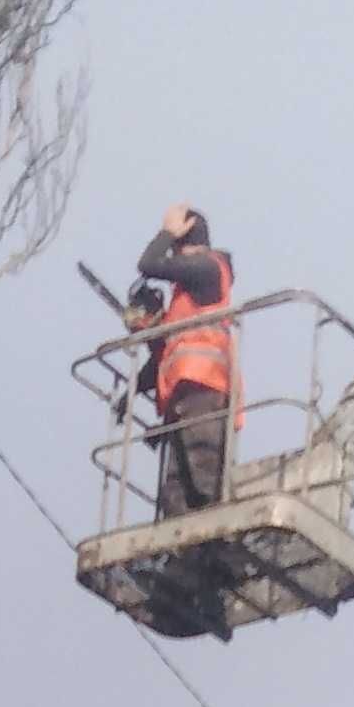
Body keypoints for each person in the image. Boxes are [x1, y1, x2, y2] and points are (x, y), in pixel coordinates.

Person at [129, 203, 236, 515]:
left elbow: (148, 264)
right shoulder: (186, 297)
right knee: (176, 492)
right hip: (184, 396)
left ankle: (213, 543)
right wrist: (131, 393)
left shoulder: (207, 267)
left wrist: (167, 232)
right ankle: (185, 556)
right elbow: (167, 352)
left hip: (204, 387)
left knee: (203, 480)